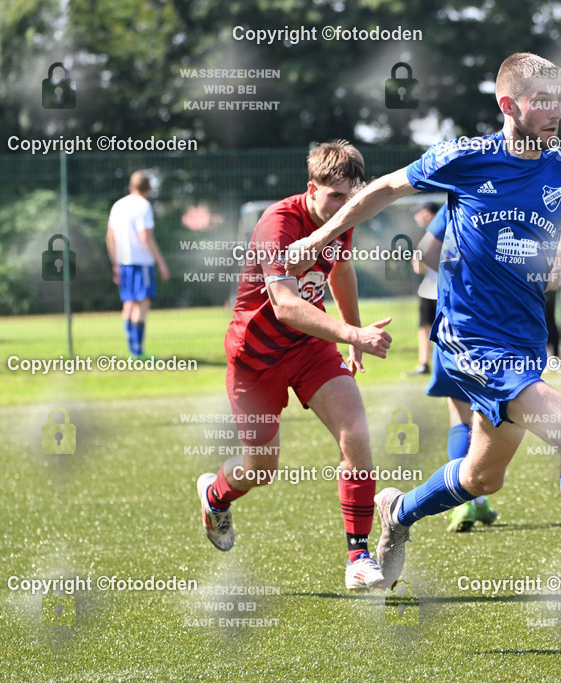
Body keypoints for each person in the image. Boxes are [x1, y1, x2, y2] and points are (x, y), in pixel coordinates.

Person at [285, 53, 561, 645]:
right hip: (469, 341)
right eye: (541, 100)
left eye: (559, 99)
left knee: (481, 478)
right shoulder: (465, 159)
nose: (554, 112)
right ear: (508, 105)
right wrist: (318, 236)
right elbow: (388, 188)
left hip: (525, 348)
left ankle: (399, 512)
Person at [195, 140, 393, 593]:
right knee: (261, 469)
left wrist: (352, 330)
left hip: (310, 348)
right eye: (336, 197)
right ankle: (215, 495)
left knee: (356, 433)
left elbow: (340, 271)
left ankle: (358, 557)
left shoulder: (342, 219)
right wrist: (353, 335)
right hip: (256, 360)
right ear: (312, 189)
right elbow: (284, 306)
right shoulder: (278, 225)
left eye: (353, 196)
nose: (346, 206)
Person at [414, 218, 499, 533]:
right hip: (502, 324)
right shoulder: (519, 191)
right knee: (492, 418)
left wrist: (461, 282)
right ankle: (476, 500)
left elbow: (425, 252)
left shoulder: (460, 193)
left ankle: (465, 502)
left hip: (457, 322)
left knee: (461, 417)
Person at [106, 171, 169, 358]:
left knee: (128, 304)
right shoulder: (144, 205)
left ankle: (131, 349)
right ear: (148, 188)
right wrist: (161, 262)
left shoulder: (118, 205)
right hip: (142, 263)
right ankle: (138, 351)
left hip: (123, 262)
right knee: (142, 305)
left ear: (130, 186)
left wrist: (115, 262)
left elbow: (110, 236)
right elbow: (145, 236)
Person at [406, 202, 441, 377]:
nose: (417, 217)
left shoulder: (445, 232)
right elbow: (418, 268)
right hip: (428, 289)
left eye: (418, 213)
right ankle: (424, 364)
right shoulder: (428, 235)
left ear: (428, 213)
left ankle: (444, 365)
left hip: (444, 291)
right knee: (424, 327)